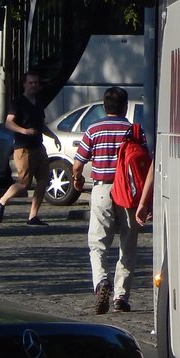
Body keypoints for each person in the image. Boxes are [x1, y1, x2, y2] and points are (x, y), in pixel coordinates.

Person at [72, 86, 145, 314]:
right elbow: (144, 162)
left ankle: (101, 282)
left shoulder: (93, 129)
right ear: (125, 107)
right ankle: (121, 296)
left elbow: (78, 163)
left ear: (104, 107)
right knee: (127, 244)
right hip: (129, 192)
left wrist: (76, 180)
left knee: (98, 244)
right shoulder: (134, 131)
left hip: (102, 189)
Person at [0, 70, 61, 226]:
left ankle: (32, 216)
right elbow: (9, 122)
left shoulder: (39, 102)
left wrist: (54, 137)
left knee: (43, 181)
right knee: (24, 183)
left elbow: (41, 125)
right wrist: (24, 130)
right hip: (23, 148)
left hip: (39, 146)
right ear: (24, 84)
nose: (33, 85)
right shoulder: (18, 102)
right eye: (30, 82)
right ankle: (1, 201)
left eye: (36, 83)